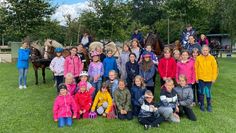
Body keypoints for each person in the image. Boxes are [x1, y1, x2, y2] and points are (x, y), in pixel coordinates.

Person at [195, 45, 218, 112]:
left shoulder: (212, 58)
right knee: (201, 92)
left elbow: (215, 69)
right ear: (201, 51)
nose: (205, 51)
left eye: (206, 50)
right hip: (201, 78)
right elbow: (195, 68)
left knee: (208, 92)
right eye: (203, 50)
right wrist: (196, 77)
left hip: (209, 78)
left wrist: (214, 78)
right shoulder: (198, 58)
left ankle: (209, 105)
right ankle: (202, 104)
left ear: (208, 51)